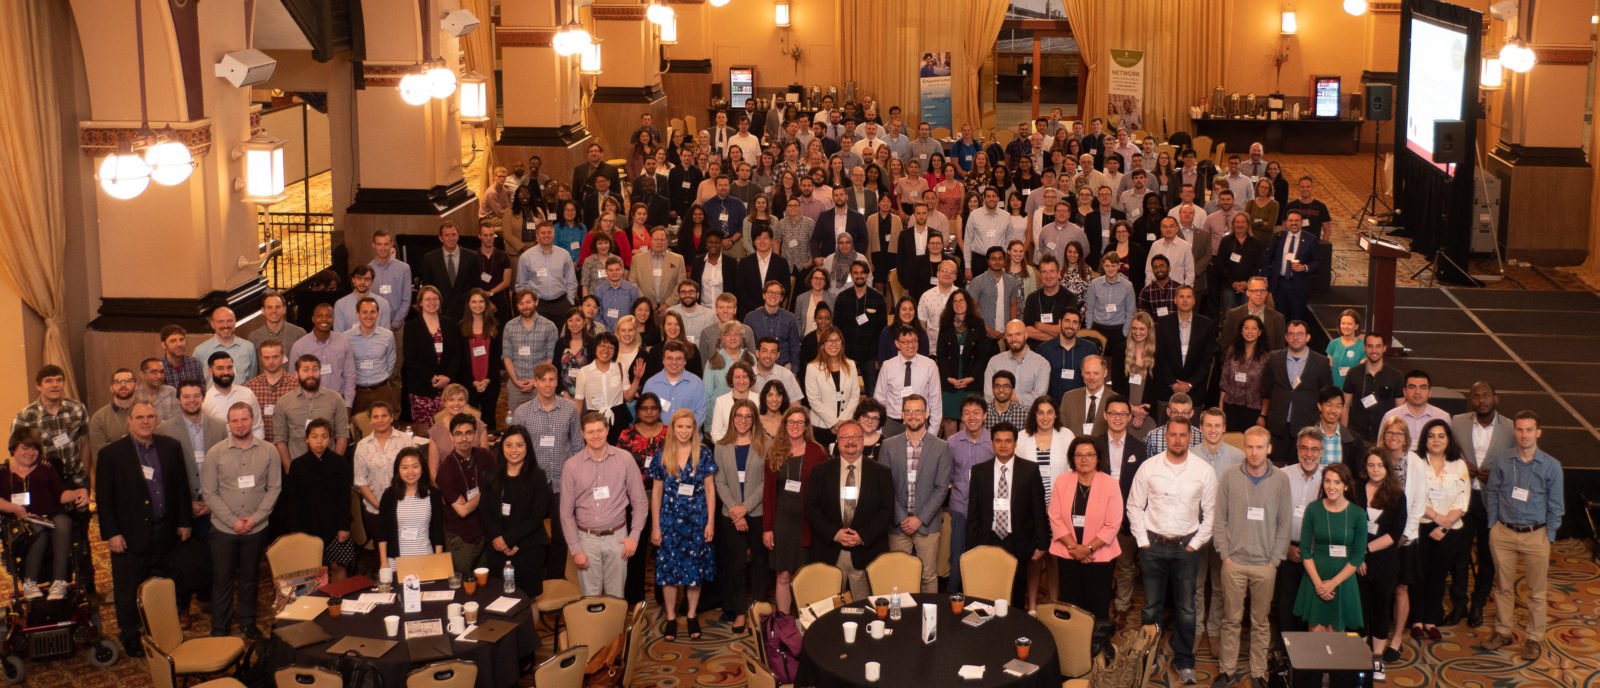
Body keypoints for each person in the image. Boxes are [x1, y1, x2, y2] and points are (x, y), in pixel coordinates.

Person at [96, 401, 193, 657]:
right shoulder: (111, 454)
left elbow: (181, 487)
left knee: (163, 583)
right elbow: (104, 499)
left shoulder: (170, 447)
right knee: (128, 589)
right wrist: (112, 534)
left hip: (165, 530)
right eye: (140, 417)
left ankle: (162, 631)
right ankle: (129, 635)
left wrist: (184, 521)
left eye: (150, 416)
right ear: (130, 421)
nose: (145, 421)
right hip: (128, 535)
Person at [1126, 418, 1217, 685]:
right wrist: (1143, 540)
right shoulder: (1149, 467)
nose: (1177, 439)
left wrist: (1195, 544)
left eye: (1182, 435)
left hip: (1185, 548)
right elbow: (1134, 506)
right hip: (1152, 546)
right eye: (1173, 435)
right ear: (1166, 437)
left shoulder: (1203, 471)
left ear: (1191, 438)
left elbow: (1210, 513)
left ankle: (1185, 661)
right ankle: (1148, 655)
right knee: (1151, 607)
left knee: (1186, 609)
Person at [1479, 411, 1564, 661]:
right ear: (1514, 431)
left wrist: (1548, 535)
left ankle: (1534, 638)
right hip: (1503, 533)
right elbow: (1492, 492)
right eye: (1519, 429)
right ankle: (1503, 631)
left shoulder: (1551, 466)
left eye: (1529, 430)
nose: (1524, 434)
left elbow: (1556, 505)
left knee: (1536, 592)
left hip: (1536, 535)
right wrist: (1493, 525)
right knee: (1503, 587)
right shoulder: (1503, 461)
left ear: (1538, 432)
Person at [1212, 426, 1292, 688]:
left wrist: (1275, 560)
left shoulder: (1281, 480)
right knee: (1231, 620)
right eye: (1250, 446)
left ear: (1269, 448)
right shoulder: (1229, 476)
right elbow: (1219, 519)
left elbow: (1284, 523)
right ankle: (1227, 670)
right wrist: (1225, 555)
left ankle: (1259, 672)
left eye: (1260, 447)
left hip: (1265, 565)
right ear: (1244, 447)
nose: (1254, 452)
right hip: (1234, 562)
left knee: (1260, 623)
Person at [201, 402, 281, 639]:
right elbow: (210, 493)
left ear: (252, 419)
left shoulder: (269, 451)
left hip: (257, 529)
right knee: (222, 580)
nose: (239, 424)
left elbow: (274, 488)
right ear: (228, 423)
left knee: (249, 579)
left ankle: (247, 623)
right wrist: (233, 521)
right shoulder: (215, 453)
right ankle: (220, 628)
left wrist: (255, 519)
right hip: (223, 530)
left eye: (244, 419)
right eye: (234, 420)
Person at [1449, 381, 1515, 627]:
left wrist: (1498, 472)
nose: (1481, 400)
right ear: (1470, 399)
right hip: (1463, 500)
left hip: (1493, 501)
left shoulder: (1509, 428)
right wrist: (1460, 465)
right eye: (1476, 396)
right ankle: (1459, 604)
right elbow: (1447, 453)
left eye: (1486, 395)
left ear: (1495, 398)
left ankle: (1478, 602)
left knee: (1488, 556)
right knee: (1459, 555)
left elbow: (1518, 462)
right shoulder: (1457, 422)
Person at [807, 417, 895, 602]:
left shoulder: (881, 473)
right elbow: (812, 508)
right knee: (828, 608)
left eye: (855, 436)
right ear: (837, 442)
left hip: (865, 552)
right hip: (829, 550)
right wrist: (835, 533)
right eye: (845, 437)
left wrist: (862, 535)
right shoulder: (820, 472)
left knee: (863, 608)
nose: (850, 441)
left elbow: (886, 511)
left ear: (863, 441)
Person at [1049, 437, 1124, 654]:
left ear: (1098, 458)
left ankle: (1098, 650)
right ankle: (1074, 651)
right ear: (1072, 458)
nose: (1084, 459)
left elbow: (1113, 523)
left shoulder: (1110, 484)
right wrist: (1075, 548)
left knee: (1098, 604)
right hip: (1068, 554)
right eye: (1079, 455)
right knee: (1072, 604)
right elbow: (1054, 517)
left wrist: (1088, 549)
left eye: (1089, 455)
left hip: (1100, 557)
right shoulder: (1062, 482)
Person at [648, 410, 718, 640]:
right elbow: (656, 493)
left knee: (694, 572)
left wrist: (711, 522)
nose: (684, 431)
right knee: (668, 572)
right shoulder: (661, 455)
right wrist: (655, 526)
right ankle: (670, 617)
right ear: (673, 428)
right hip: (668, 522)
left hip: (697, 521)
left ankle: (690, 614)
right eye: (680, 426)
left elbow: (710, 489)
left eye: (689, 427)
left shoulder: (704, 453)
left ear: (694, 429)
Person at [562, 412, 649, 597]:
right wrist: (576, 549)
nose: (596, 435)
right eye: (591, 431)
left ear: (607, 430)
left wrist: (634, 537)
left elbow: (640, 502)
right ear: (583, 434)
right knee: (590, 599)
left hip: (617, 538)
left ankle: (614, 628)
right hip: (586, 540)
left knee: (616, 597)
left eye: (600, 430)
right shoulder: (571, 466)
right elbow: (566, 513)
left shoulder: (625, 459)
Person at [966, 422, 1050, 604]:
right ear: (992, 443)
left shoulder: (1030, 470)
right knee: (987, 592)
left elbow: (1038, 509)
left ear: (1015, 443)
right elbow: (973, 512)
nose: (1003, 445)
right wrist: (972, 545)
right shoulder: (979, 472)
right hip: (988, 539)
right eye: (998, 441)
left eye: (1008, 441)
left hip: (1018, 541)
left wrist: (1043, 543)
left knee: (1016, 594)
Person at [881, 396, 951, 593]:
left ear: (927, 414)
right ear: (902, 415)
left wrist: (919, 519)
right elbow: (886, 487)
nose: (913, 416)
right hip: (898, 524)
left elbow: (941, 488)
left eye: (918, 411)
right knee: (899, 576)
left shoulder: (941, 447)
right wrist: (903, 518)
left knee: (928, 577)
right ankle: (902, 620)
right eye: (909, 411)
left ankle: (928, 621)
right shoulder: (888, 445)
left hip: (927, 524)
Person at [762, 406, 828, 613]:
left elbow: (824, 492)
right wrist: (767, 528)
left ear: (807, 426)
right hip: (782, 524)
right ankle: (784, 622)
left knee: (804, 575)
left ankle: (806, 621)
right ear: (785, 425)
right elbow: (768, 494)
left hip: (807, 524)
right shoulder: (774, 451)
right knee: (783, 575)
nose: (795, 426)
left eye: (800, 422)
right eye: (791, 422)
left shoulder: (817, 451)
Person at [1412, 419, 1471, 641]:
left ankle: (1431, 620)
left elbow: (1463, 499)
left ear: (1448, 440)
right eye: (1431, 436)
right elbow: (1413, 497)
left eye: (1441, 436)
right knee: (1418, 576)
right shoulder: (1416, 463)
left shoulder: (1459, 465)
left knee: (1438, 577)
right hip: (1421, 528)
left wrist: (1444, 526)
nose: (1436, 440)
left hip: (1449, 531)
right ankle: (1416, 620)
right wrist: (1436, 518)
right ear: (1424, 439)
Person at [713, 399, 767, 632]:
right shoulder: (721, 446)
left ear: (754, 419)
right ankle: (740, 612)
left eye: (748, 416)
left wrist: (746, 507)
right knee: (735, 566)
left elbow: (767, 483)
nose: (743, 420)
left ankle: (757, 608)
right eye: (738, 416)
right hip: (730, 514)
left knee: (760, 563)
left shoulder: (766, 444)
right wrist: (737, 510)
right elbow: (719, 481)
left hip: (758, 512)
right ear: (732, 418)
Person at [1293, 463, 1366, 634]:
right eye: (1327, 481)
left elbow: (1357, 556)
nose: (1331, 486)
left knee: (1336, 636)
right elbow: (1305, 551)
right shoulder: (1313, 509)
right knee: (1316, 635)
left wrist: (1332, 583)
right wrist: (1320, 585)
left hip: (1343, 580)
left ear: (1346, 485)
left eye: (1337, 482)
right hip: (1315, 578)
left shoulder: (1358, 514)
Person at [480, 426, 553, 597]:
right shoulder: (492, 475)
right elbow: (485, 512)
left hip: (528, 548)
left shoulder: (537, 476)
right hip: (497, 549)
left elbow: (536, 517)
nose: (514, 450)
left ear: (527, 447)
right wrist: (500, 540)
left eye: (519, 445)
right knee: (499, 598)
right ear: (502, 447)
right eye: (509, 445)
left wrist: (509, 540)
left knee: (528, 600)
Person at [2, 429, 74, 600]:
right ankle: (30, 582)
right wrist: (14, 508)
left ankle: (59, 582)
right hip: (20, 522)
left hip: (50, 515)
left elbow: (61, 494)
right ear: (14, 449)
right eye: (25, 448)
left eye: (34, 448)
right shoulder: (3, 473)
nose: (30, 452)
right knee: (38, 531)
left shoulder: (46, 469)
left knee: (63, 522)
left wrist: (79, 492)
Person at [1356, 449, 1408, 675]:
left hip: (1384, 562)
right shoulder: (1355, 491)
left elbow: (1394, 534)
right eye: (1371, 465)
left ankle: (1376, 656)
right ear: (1365, 467)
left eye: (1380, 465)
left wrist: (1364, 551)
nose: (1375, 469)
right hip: (1357, 562)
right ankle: (1359, 656)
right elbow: (1349, 526)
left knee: (1380, 608)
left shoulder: (1397, 495)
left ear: (1387, 468)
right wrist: (1357, 557)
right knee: (1359, 608)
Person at [284, 419, 352, 581]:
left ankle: (338, 601)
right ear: (307, 439)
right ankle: (316, 604)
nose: (319, 441)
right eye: (314, 436)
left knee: (338, 565)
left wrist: (344, 526)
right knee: (311, 569)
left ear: (330, 439)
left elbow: (345, 497)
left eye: (324, 436)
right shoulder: (298, 465)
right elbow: (292, 501)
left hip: (336, 524)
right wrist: (296, 531)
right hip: (307, 525)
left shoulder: (339, 462)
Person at [1276, 427, 1327, 639]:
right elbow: (1273, 516)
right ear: (1297, 449)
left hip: (1316, 555)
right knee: (1284, 608)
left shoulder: (1330, 478)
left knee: (1310, 610)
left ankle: (1308, 659)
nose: (1309, 454)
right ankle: (1285, 656)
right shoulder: (1282, 476)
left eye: (1314, 449)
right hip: (1286, 550)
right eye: (1304, 448)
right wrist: (1285, 547)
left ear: (1322, 452)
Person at [1262, 321, 1333, 464]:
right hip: (1277, 427)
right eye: (1291, 334)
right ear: (1286, 337)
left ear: (1308, 337)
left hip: (1306, 427)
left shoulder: (1321, 362)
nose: (1295, 338)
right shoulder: (1274, 358)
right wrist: (1263, 415)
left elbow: (1326, 396)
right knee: (1275, 468)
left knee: (1302, 471)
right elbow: (1266, 389)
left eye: (1300, 334)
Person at [273, 355, 352, 474]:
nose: (311, 374)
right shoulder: (284, 402)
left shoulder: (335, 399)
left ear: (320, 372)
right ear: (296, 374)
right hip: (297, 468)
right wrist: (288, 467)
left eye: (315, 369)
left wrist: (336, 464)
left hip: (329, 468)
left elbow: (342, 434)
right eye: (305, 370)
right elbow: (280, 438)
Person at [377, 447, 447, 567]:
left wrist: (437, 561)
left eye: (415, 466)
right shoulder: (389, 495)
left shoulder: (433, 494)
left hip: (426, 559)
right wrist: (384, 562)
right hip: (396, 562)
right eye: (405, 467)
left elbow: (438, 531)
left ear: (423, 469)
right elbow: (382, 532)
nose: (410, 472)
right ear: (398, 470)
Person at [939, 291, 994, 434]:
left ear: (968, 303)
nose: (958, 304)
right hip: (950, 380)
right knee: (950, 420)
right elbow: (941, 355)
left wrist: (972, 378)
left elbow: (982, 355)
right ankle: (950, 454)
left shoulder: (978, 324)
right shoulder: (945, 324)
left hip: (971, 379)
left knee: (967, 421)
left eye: (961, 300)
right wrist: (948, 378)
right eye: (955, 301)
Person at [1154, 286, 1218, 408]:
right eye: (1181, 296)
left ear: (1194, 300)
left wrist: (1190, 384)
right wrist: (1173, 383)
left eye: (1188, 297)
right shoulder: (1163, 323)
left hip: (1194, 390)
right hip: (1167, 390)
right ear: (1175, 300)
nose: (1185, 300)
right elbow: (1160, 356)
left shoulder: (1206, 325)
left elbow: (1206, 360)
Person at [874, 326, 942, 436]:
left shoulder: (930, 365)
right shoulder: (888, 366)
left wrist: (932, 432)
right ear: (897, 344)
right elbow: (879, 399)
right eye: (905, 342)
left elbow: (936, 402)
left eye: (914, 341)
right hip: (892, 424)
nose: (911, 345)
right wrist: (878, 431)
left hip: (920, 424)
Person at [833, 260, 889, 393]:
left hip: (870, 355)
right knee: (845, 392)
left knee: (872, 392)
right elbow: (836, 328)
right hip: (847, 354)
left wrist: (878, 357)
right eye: (855, 273)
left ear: (867, 275)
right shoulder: (842, 298)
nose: (859, 276)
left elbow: (882, 330)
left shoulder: (878, 298)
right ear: (851, 275)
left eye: (862, 273)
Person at [502, 290, 560, 417]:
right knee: (516, 423)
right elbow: (507, 356)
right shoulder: (509, 326)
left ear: (536, 302)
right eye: (521, 303)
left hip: (541, 385)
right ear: (517, 306)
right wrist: (516, 380)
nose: (525, 306)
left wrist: (536, 381)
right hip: (516, 385)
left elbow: (550, 357)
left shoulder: (549, 326)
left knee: (543, 421)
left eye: (528, 302)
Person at [289, 304, 357, 407]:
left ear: (333, 319)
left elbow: (350, 376)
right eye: (320, 316)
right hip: (309, 403)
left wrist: (348, 405)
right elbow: (293, 380)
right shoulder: (299, 346)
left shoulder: (343, 342)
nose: (324, 319)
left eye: (328, 316)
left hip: (337, 402)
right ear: (313, 319)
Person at [1343, 333, 1404, 443]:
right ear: (1364, 348)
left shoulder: (1396, 376)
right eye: (1370, 346)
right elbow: (1345, 406)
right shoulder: (1353, 373)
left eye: (1378, 346)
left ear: (1384, 348)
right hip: (1357, 437)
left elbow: (1400, 409)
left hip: (1385, 437)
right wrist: (1344, 436)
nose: (1374, 350)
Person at [417, 222, 484, 321]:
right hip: (439, 311)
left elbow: (476, 286)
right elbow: (427, 288)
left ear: (458, 236)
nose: (451, 238)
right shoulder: (429, 258)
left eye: (454, 234)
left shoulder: (472, 256)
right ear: (440, 238)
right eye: (447, 235)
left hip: (465, 312)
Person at [1264, 211, 1318, 323]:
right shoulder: (1278, 237)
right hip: (1279, 284)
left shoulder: (1311, 239)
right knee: (1280, 317)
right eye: (1291, 220)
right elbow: (1268, 257)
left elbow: (1318, 261)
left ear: (1301, 222)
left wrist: (1305, 267)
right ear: (1286, 223)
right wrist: (1265, 277)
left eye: (1297, 220)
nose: (1294, 223)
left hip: (1299, 285)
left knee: (1297, 319)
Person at [1218, 315, 1269, 431]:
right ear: (1241, 331)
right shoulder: (1232, 350)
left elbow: (1267, 390)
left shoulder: (1266, 357)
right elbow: (1224, 381)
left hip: (1253, 409)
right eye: (1246, 328)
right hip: (1230, 406)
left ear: (1260, 332)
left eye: (1254, 328)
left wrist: (1263, 415)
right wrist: (1221, 409)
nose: (1249, 332)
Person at [1380, 370, 1449, 453]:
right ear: (1404, 391)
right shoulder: (1390, 416)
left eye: (1423, 387)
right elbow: (1381, 450)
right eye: (1412, 387)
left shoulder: (1443, 417)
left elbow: (1448, 450)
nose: (1417, 392)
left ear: (1429, 392)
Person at [1325, 310, 1365, 390]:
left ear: (1356, 326)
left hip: (1354, 388)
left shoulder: (1363, 346)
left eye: (1349, 324)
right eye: (1343, 323)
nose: (1345, 326)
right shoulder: (1333, 343)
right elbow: (1328, 368)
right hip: (1334, 387)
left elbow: (1362, 371)